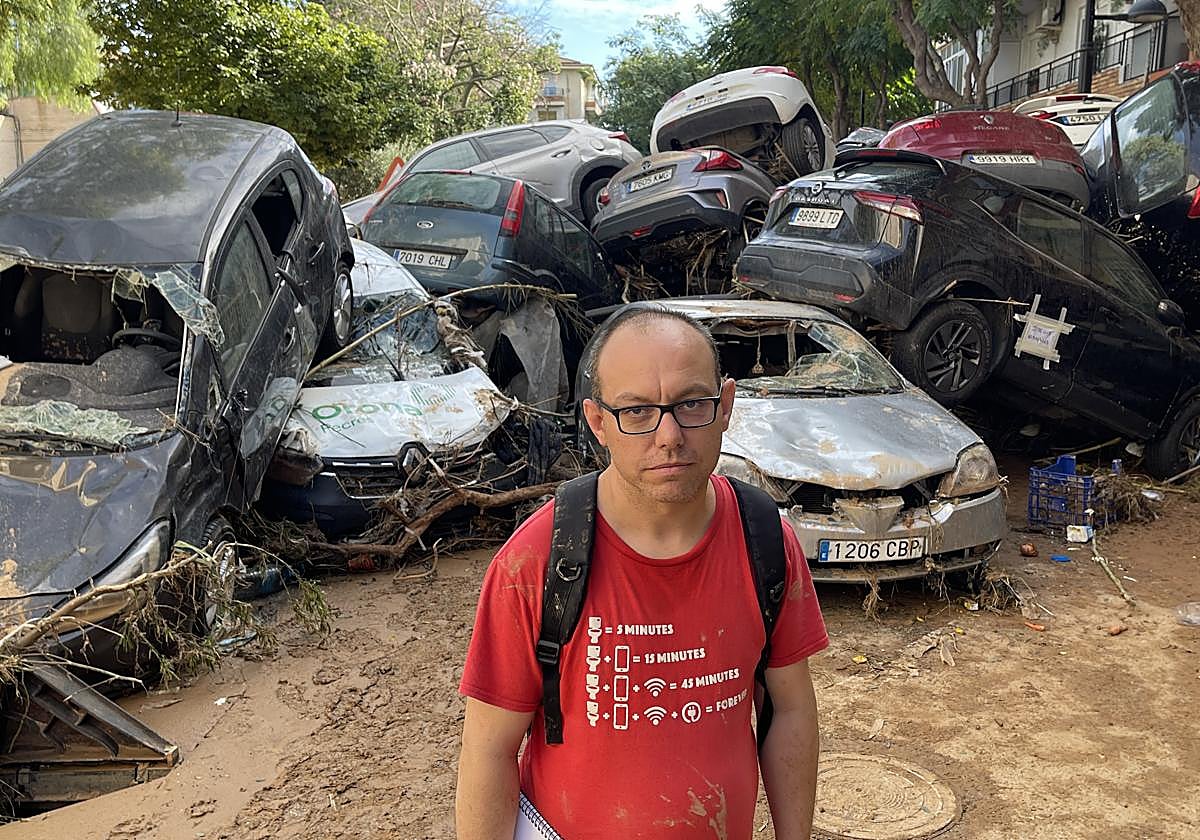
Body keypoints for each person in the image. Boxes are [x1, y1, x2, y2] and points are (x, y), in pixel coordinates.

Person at [456, 306, 828, 839]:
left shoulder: (764, 541)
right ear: (598, 422)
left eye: (691, 403)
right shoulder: (536, 561)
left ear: (724, 406)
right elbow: (489, 750)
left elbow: (790, 709)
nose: (670, 435)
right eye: (636, 412)